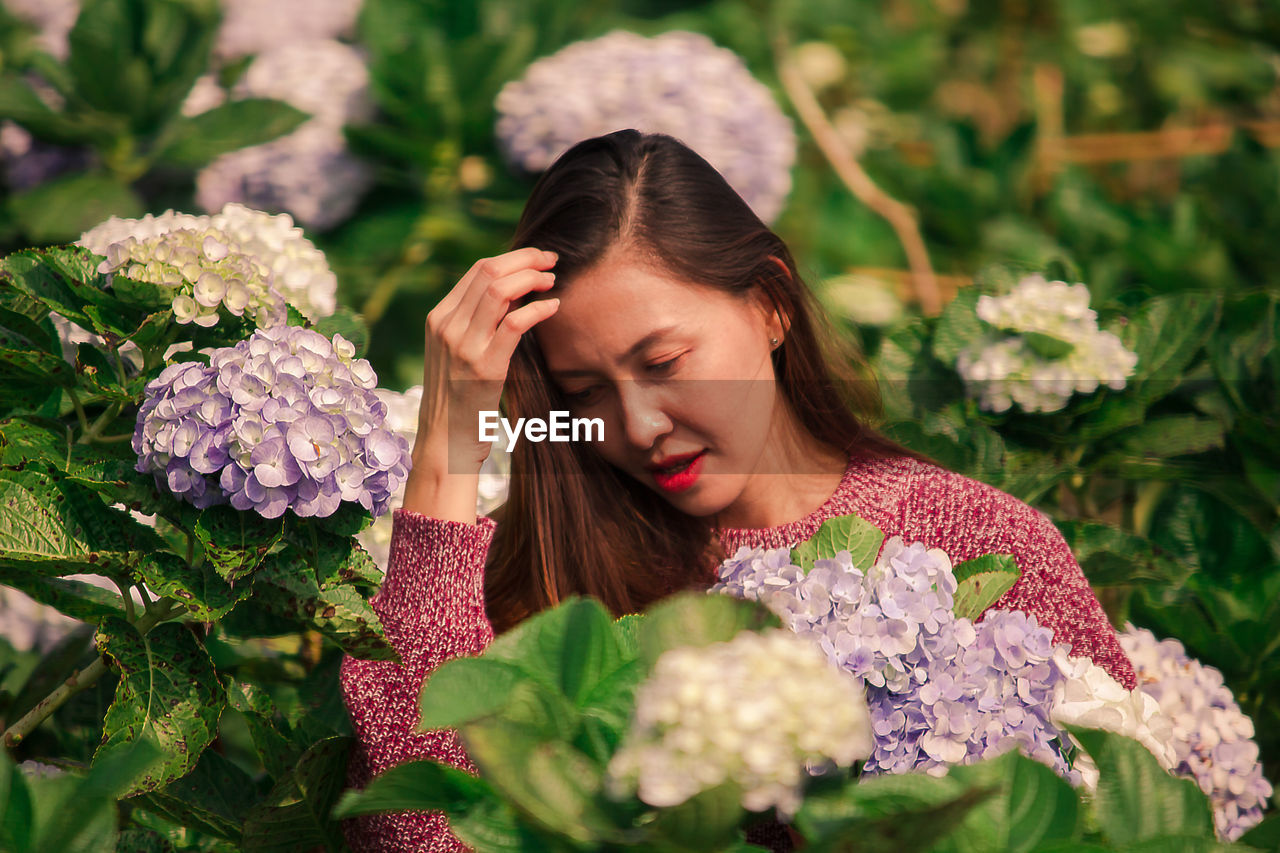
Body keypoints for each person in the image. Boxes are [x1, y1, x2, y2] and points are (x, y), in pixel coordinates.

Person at [339, 130, 1136, 852]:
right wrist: (446, 458)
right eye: (585, 390)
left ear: (772, 303)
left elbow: (1136, 809)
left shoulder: (979, 539)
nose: (640, 423)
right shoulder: (539, 579)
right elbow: (422, 837)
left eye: (664, 362)